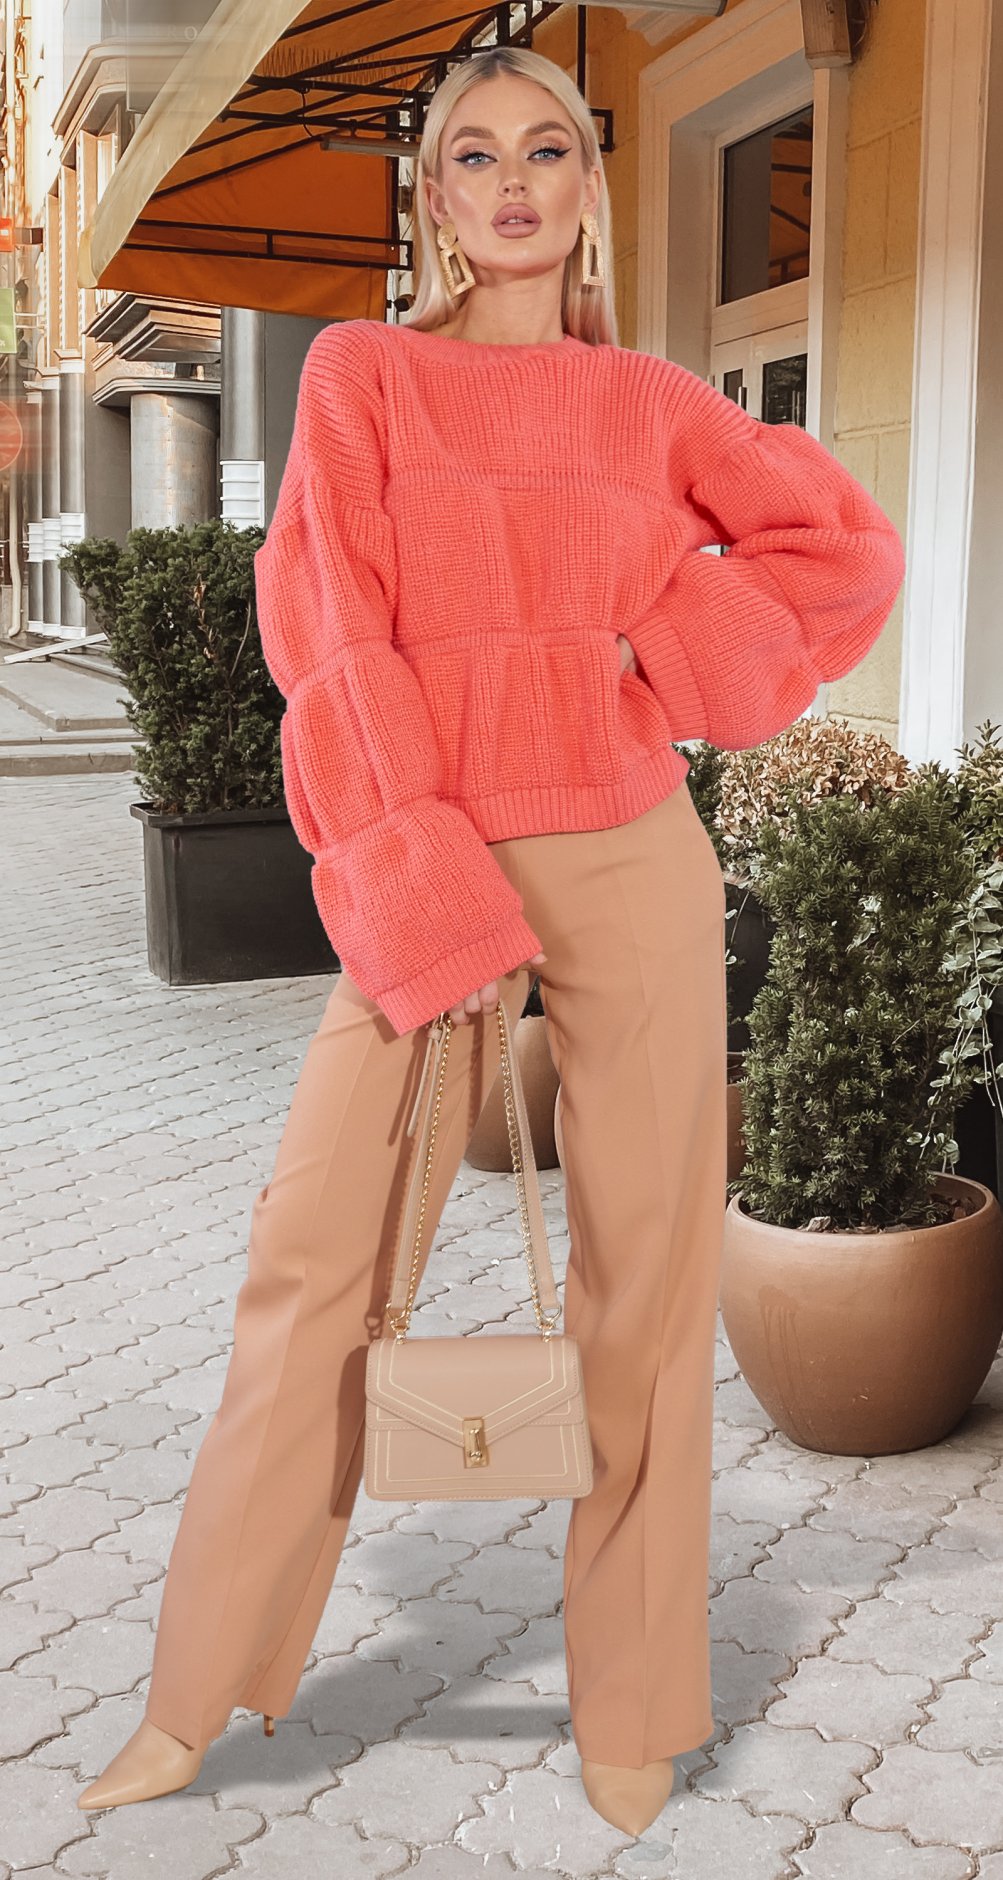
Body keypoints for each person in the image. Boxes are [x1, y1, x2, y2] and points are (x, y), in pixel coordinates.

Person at [77, 41, 905, 1838]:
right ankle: (192, 1693)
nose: (513, 182)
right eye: (474, 155)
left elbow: (843, 549)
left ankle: (636, 1700)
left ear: (590, 188)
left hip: (632, 854)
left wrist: (658, 645)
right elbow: (328, 628)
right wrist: (420, 865)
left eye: (547, 150)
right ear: (435, 201)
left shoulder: (649, 402)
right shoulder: (366, 377)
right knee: (310, 1263)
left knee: (647, 1284)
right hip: (429, 846)